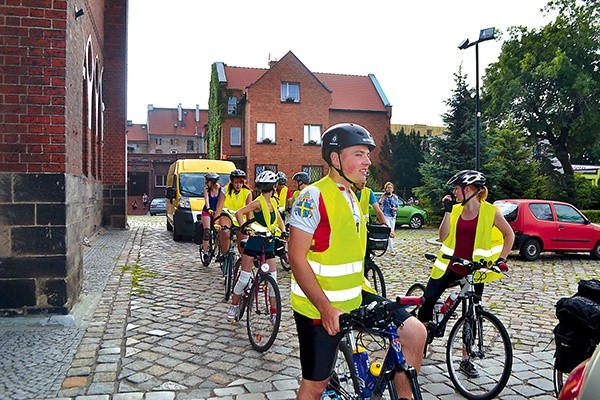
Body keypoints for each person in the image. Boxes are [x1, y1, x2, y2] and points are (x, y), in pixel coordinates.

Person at [288, 123, 426, 399]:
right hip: (319, 308)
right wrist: (326, 308)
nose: (368, 161)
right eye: (359, 154)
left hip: (357, 295)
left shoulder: (355, 195)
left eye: (368, 154)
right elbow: (295, 257)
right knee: (315, 387)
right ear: (335, 158)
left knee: (414, 332)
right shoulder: (312, 197)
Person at [417, 169, 515, 378]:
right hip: (449, 265)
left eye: (456, 189)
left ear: (468, 189)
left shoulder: (490, 211)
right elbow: (443, 237)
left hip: (474, 270)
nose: (454, 192)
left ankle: (465, 359)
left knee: (471, 314)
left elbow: (509, 235)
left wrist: (502, 259)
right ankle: (421, 336)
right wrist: (447, 211)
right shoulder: (456, 210)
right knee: (428, 298)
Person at [227, 170, 286, 321]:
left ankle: (274, 312)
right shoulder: (258, 202)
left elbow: (279, 220)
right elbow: (240, 213)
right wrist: (244, 228)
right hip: (254, 244)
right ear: (273, 187)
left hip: (268, 244)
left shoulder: (273, 202)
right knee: (244, 278)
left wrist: (284, 232)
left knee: (273, 280)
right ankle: (233, 305)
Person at [200, 172, 223, 265]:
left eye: (207, 181)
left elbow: (222, 201)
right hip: (207, 212)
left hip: (217, 211)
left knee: (220, 231)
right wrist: (209, 208)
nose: (205, 182)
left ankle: (219, 251)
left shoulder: (221, 190)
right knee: (207, 232)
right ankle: (205, 253)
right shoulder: (206, 190)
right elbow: (207, 200)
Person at [378, 182, 399, 256]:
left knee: (391, 232)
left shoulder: (395, 197)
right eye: (388, 188)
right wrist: (383, 198)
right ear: (385, 189)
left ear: (393, 189)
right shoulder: (384, 196)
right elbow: (380, 206)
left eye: (390, 188)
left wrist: (395, 209)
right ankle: (391, 249)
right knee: (389, 231)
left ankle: (384, 245)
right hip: (386, 215)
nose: (389, 189)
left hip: (392, 216)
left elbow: (397, 207)